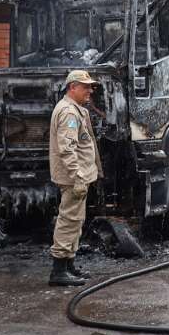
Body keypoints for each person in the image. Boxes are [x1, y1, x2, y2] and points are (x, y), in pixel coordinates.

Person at [48, 70, 103, 287]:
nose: (90, 90)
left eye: (90, 86)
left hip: (78, 177)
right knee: (69, 220)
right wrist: (78, 176)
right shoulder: (69, 113)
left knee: (76, 221)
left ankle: (69, 265)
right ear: (72, 87)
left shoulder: (75, 110)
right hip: (73, 178)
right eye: (85, 86)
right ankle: (58, 270)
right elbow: (67, 149)